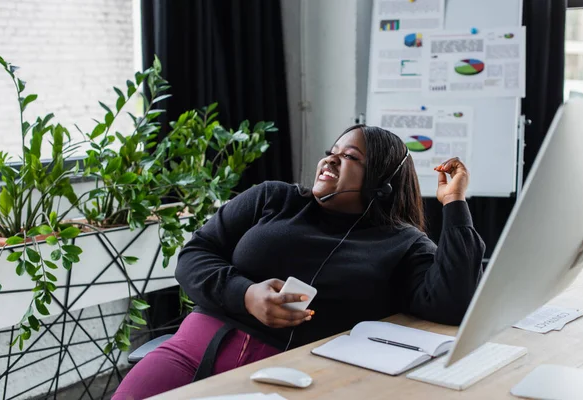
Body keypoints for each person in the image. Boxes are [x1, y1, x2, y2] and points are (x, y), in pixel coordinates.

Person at [113, 125, 485, 399]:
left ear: (381, 182)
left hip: (298, 373)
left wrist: (454, 204)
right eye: (332, 151)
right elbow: (195, 255)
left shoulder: (402, 243)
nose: (330, 160)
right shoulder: (273, 198)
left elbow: (452, 303)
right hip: (193, 347)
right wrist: (246, 295)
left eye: (350, 158)